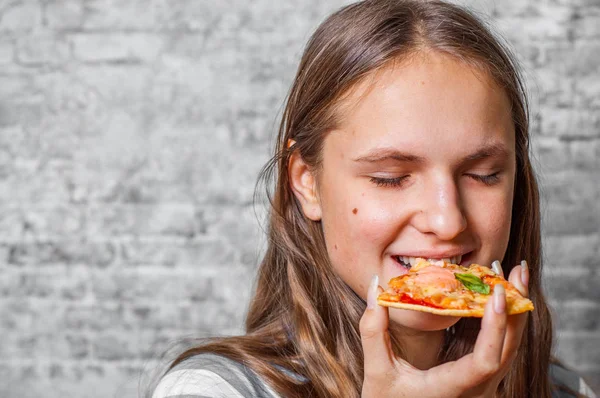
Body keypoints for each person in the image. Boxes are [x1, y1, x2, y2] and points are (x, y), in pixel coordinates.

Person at [149, 0, 597, 397]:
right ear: (306, 182)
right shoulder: (211, 391)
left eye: (483, 175)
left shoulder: (567, 391)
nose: (447, 221)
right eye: (390, 178)